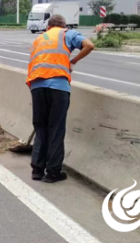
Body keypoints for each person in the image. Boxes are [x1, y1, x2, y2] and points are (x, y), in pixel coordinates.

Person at [26, 14, 94, 183]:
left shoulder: (39, 39)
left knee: (41, 128)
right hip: (58, 86)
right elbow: (89, 45)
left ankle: (37, 170)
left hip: (37, 86)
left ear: (47, 27)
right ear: (64, 25)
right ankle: (53, 172)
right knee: (56, 128)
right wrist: (74, 61)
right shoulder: (66, 33)